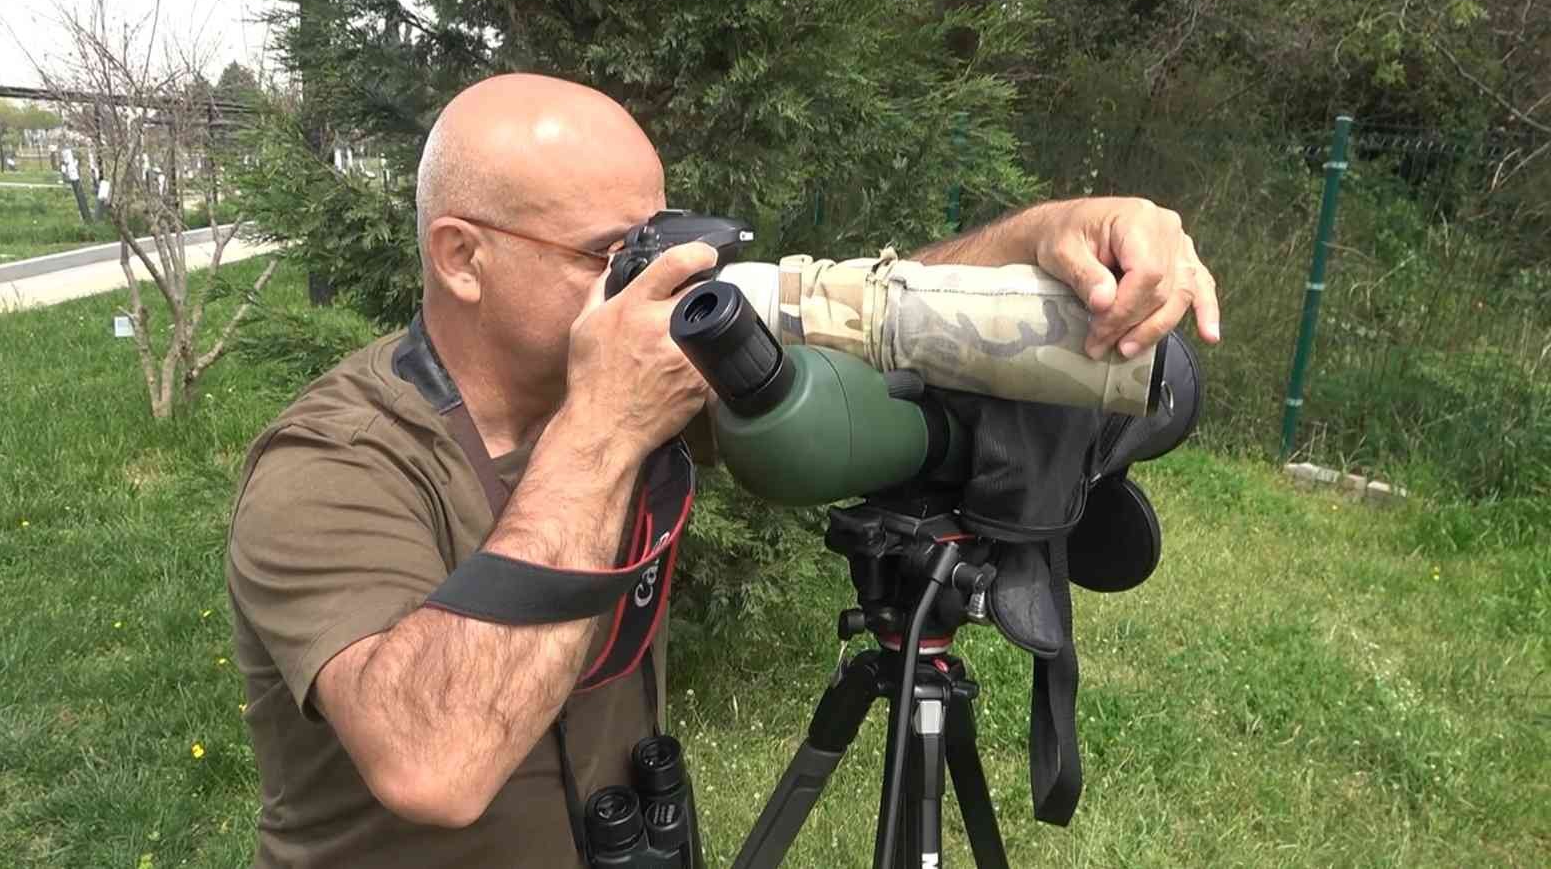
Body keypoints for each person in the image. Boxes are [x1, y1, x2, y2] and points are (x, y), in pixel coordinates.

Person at [225, 72, 1220, 869]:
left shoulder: (638, 368)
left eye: (663, 242)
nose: (659, 286)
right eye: (615, 253)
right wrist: (606, 428)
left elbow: (888, 314)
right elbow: (434, 765)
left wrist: (1051, 234)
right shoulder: (334, 463)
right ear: (462, 257)